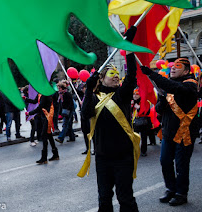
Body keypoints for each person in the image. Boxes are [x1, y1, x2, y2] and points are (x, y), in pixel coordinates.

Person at [81, 26, 139, 212]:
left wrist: (128, 46)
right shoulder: (93, 96)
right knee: (104, 199)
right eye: (111, 74)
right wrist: (89, 90)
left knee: (125, 199)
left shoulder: (122, 94)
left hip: (123, 157)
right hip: (103, 158)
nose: (116, 77)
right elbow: (85, 116)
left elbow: (131, 75)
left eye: (117, 74)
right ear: (102, 79)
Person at [141, 58, 200, 206]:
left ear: (186, 71)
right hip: (168, 132)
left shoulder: (190, 85)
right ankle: (171, 189)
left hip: (184, 133)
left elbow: (176, 88)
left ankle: (181, 193)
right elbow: (160, 110)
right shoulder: (169, 87)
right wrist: (161, 97)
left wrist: (152, 75)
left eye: (177, 67)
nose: (172, 68)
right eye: (172, 66)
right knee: (165, 161)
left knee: (181, 165)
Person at [25, 94, 59, 164]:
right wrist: (26, 99)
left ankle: (44, 158)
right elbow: (35, 101)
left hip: (48, 116)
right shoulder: (40, 94)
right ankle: (55, 154)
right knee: (49, 135)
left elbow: (40, 107)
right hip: (43, 116)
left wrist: (30, 113)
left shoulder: (46, 94)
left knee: (44, 135)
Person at [132, 88, 156, 157]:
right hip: (135, 122)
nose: (135, 96)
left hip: (144, 122)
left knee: (144, 137)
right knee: (134, 137)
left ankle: (143, 151)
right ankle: (135, 150)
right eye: (134, 94)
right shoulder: (132, 102)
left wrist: (139, 108)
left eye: (137, 94)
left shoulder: (145, 101)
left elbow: (147, 112)